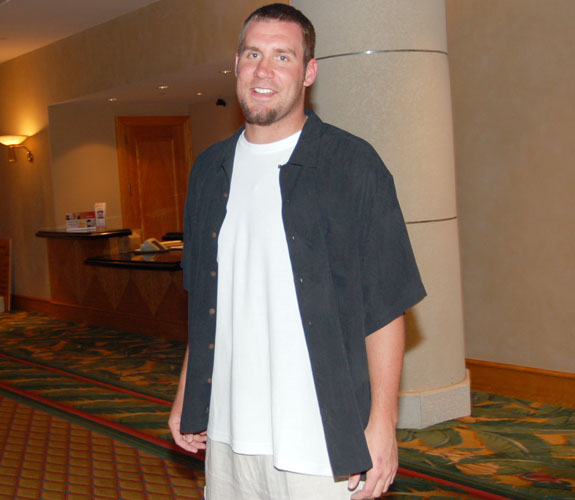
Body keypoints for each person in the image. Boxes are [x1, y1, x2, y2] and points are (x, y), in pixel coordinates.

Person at [169, 4, 426, 499]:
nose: (264, 71)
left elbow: (385, 307)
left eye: (283, 57)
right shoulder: (208, 172)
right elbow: (207, 302)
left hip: (319, 442)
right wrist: (187, 395)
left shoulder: (353, 165)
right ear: (237, 64)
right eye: (253, 54)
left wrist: (383, 425)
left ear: (309, 72)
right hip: (227, 434)